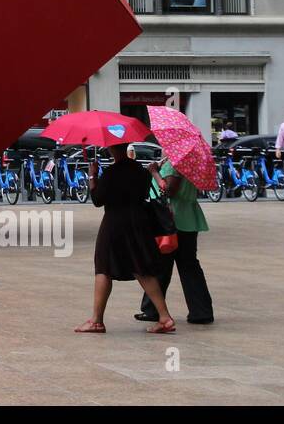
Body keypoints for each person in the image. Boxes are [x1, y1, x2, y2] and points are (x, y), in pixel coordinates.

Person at [74, 143, 176, 335]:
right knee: (141, 267)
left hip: (114, 223)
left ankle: (96, 320)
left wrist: (92, 175)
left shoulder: (111, 173)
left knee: (103, 266)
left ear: (112, 149)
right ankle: (164, 316)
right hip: (139, 222)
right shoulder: (141, 171)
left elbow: (97, 200)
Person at [137, 161, 213, 325]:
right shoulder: (191, 163)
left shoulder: (175, 163)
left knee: (162, 264)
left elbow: (169, 189)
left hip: (172, 218)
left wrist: (154, 172)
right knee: (188, 265)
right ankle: (201, 311)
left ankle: (152, 309)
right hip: (188, 216)